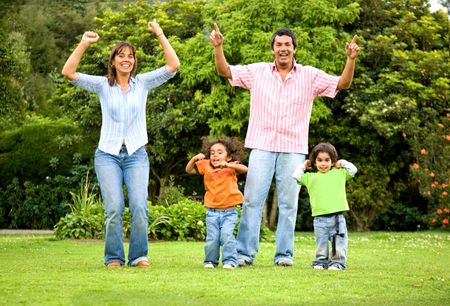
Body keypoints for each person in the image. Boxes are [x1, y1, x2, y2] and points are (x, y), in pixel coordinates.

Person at [210, 23, 360, 267]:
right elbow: (225, 71)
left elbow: (342, 84)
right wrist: (218, 47)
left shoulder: (310, 76)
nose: (283, 49)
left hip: (293, 148)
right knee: (251, 201)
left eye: (287, 45)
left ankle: (284, 255)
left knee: (289, 204)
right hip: (261, 145)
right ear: (272, 49)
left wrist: (350, 59)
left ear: (294, 49)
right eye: (278, 45)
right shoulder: (257, 72)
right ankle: (244, 253)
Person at [61, 20, 180, 268]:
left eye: (130, 56)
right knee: (114, 208)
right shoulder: (102, 85)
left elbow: (173, 65)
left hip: (136, 154)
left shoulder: (143, 83)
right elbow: (68, 73)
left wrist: (159, 33)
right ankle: (113, 257)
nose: (126, 59)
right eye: (121, 56)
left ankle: (138, 256)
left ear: (134, 62)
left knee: (138, 206)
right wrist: (83, 43)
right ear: (113, 61)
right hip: (107, 155)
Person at [292, 142, 357, 270]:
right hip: (319, 218)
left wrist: (342, 162)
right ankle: (321, 261)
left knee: (337, 241)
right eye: (319, 160)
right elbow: (296, 176)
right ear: (314, 162)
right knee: (321, 242)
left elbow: (353, 170)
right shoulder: (310, 177)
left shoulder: (340, 173)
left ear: (333, 161)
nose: (323, 163)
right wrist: (304, 165)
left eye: (327, 160)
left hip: (337, 217)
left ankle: (337, 263)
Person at [185, 137, 248, 269]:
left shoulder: (231, 166)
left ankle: (230, 261)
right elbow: (189, 170)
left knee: (226, 236)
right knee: (212, 238)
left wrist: (228, 165)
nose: (215, 155)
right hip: (211, 211)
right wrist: (194, 159)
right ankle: (210, 261)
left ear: (228, 156)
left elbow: (245, 169)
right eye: (212, 152)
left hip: (229, 212)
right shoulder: (206, 165)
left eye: (220, 152)